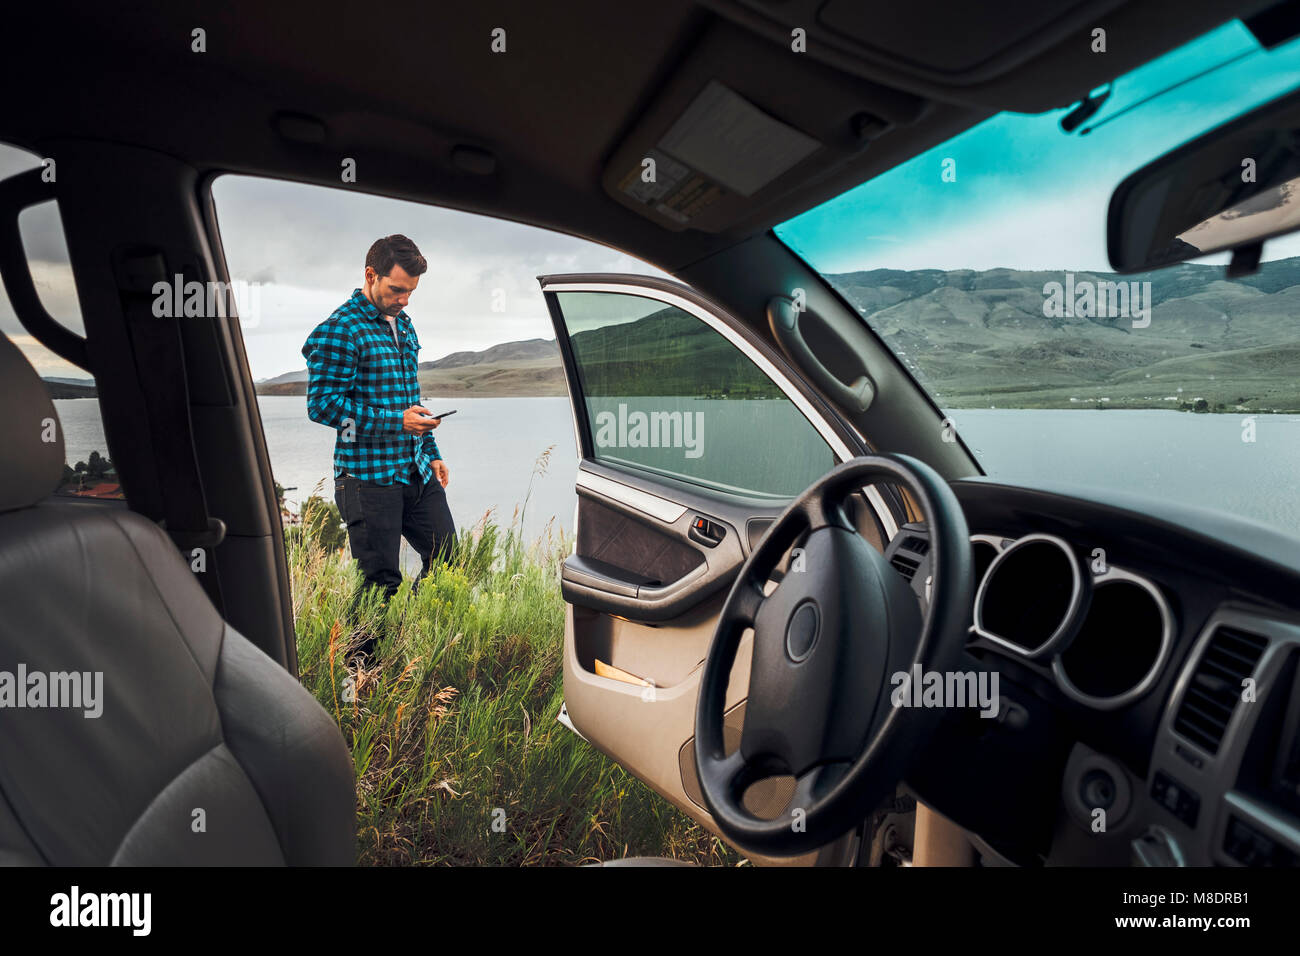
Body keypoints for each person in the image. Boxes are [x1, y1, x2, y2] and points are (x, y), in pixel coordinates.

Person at [302, 234, 455, 659]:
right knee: (380, 583)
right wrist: (394, 422)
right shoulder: (340, 330)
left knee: (449, 560)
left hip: (415, 470)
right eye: (397, 289)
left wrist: (433, 451)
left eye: (411, 292)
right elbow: (323, 406)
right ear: (371, 275)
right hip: (366, 479)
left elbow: (412, 399)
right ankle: (357, 675)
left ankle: (405, 641)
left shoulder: (403, 324)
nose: (405, 300)